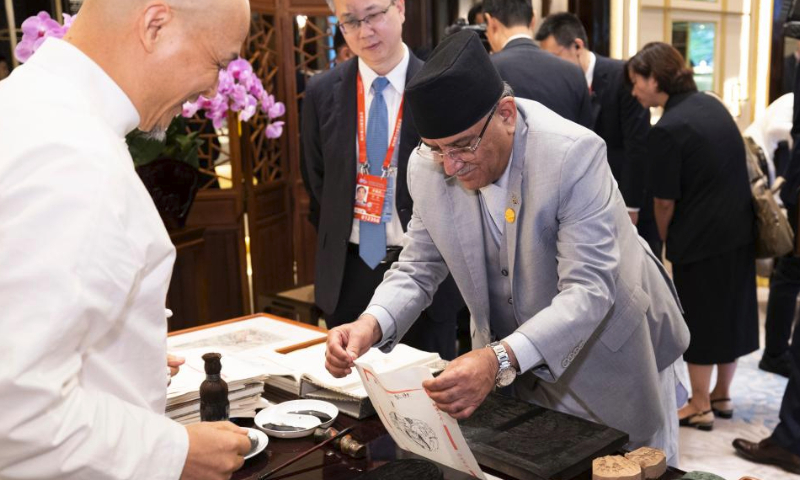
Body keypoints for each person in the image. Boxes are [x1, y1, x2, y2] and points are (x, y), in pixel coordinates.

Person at [325, 30, 690, 464]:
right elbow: (418, 266)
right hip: (514, 369)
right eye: (437, 149)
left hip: (610, 351)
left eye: (463, 146)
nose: (451, 166)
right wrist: (370, 324)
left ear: (506, 114)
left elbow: (589, 290)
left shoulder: (573, 155)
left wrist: (497, 359)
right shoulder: (428, 168)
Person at [0, 1, 253, 479]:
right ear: (155, 26)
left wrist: (128, 357)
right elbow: (17, 409)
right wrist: (173, 452)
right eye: (217, 63)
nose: (212, 89)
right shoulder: (73, 159)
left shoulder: (27, 106)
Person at [302, 0, 463, 359]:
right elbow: (317, 181)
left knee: (425, 388)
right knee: (350, 387)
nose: (365, 31)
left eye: (374, 15)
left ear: (400, 8)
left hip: (426, 276)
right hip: (348, 273)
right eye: (350, 21)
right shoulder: (321, 91)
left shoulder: (439, 86)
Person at [627, 42, 758, 432]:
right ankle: (721, 395)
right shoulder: (713, 106)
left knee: (700, 319)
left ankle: (699, 404)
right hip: (739, 229)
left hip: (700, 237)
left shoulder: (668, 129)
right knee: (730, 313)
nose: (634, 91)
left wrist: (666, 240)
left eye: (637, 82)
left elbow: (664, 201)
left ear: (655, 79)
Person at [535, 12, 660, 258]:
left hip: (629, 196)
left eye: (555, 57)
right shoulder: (560, 86)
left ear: (577, 46)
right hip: (588, 202)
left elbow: (637, 146)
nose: (551, 67)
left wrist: (631, 206)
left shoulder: (622, 75)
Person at [745, 93, 796, 379]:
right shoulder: (790, 101)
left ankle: (777, 352)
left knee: (788, 272)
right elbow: (782, 132)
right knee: (789, 271)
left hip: (777, 178)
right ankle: (775, 353)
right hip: (762, 168)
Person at [481, 0, 593, 128]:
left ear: (490, 22)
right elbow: (587, 134)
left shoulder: (486, 69)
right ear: (533, 20)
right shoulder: (574, 72)